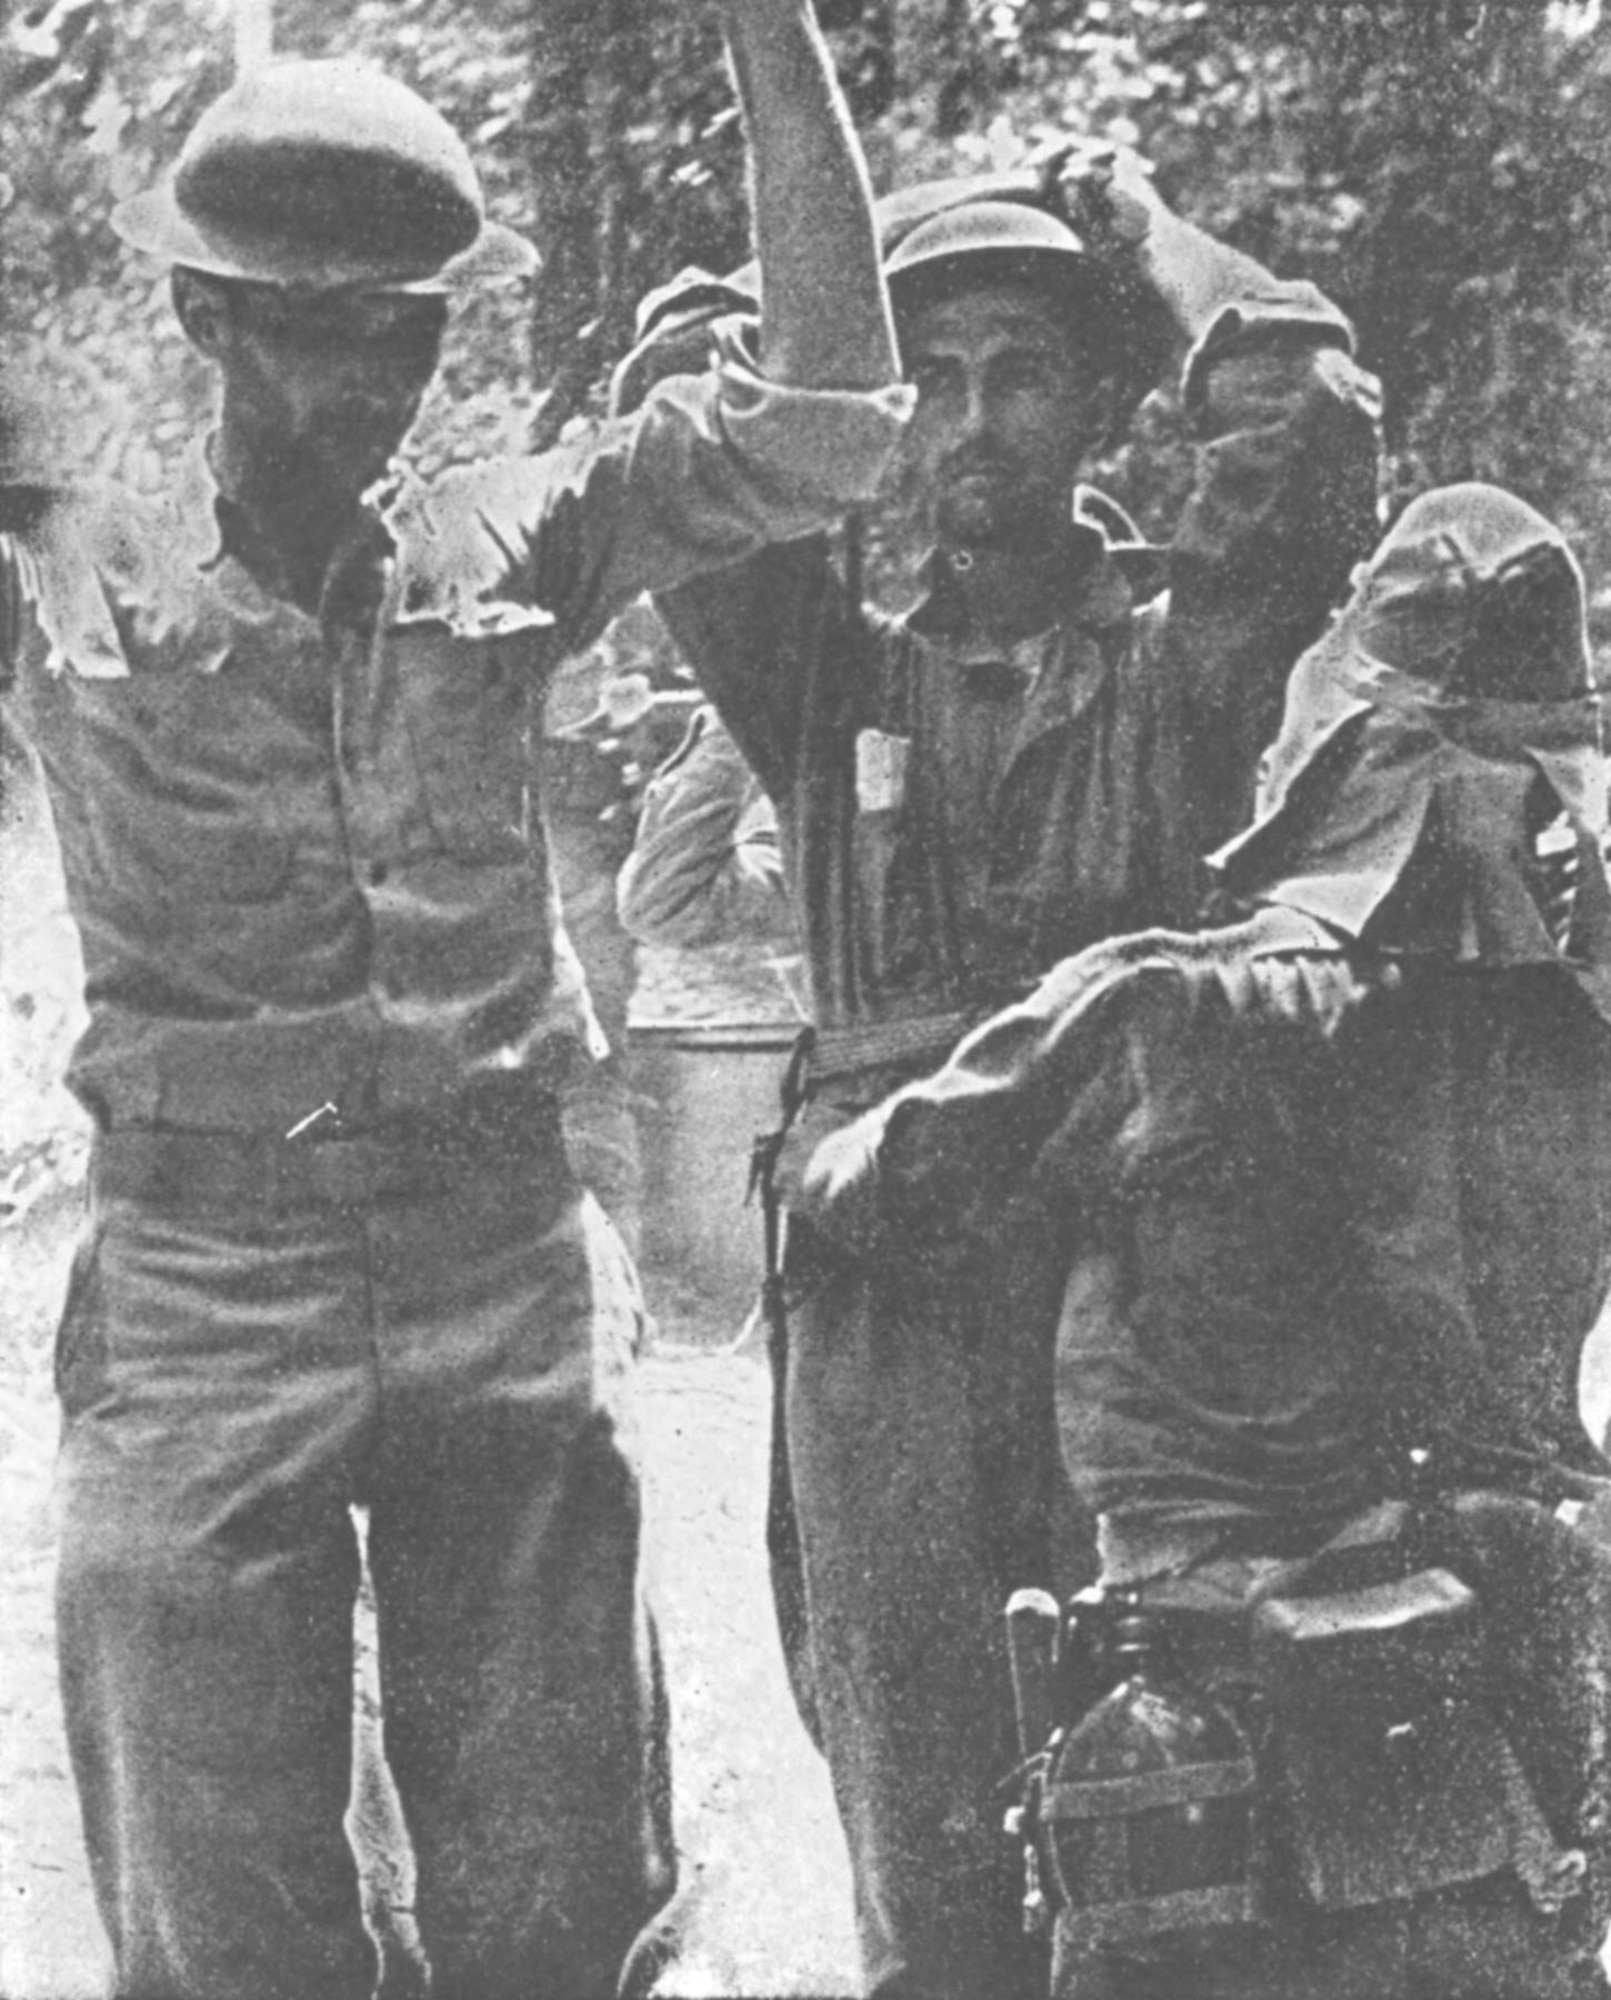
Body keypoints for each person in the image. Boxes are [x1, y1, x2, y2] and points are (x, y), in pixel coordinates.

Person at [0, 9, 906, 1996]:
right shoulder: (77, 582)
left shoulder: (517, 530)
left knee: (555, 1905)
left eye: (404, 331)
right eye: (317, 330)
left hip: (495, 1262)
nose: (370, 382)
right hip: (198, 1281)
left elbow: (835, 410)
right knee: (212, 1901)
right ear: (199, 317)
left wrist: (771, 32)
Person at [635, 144, 1382, 1996]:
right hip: (885, 1299)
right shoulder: (823, 677)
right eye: (936, 378)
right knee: (921, 1821)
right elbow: (683, 409)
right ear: (888, 419)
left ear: (1100, 407)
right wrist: (824, 294)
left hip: (1136, 1291)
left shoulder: (1181, 663)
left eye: (1023, 372)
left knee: (1172, 1811)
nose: (976, 422)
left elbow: (1303, 412)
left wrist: (1140, 237)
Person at [798, 484, 1611, 1999]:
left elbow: (870, 1186)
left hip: (1200, 1712)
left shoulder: (1172, 1001)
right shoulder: (1574, 1035)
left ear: (1328, 756)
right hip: (1501, 1694)